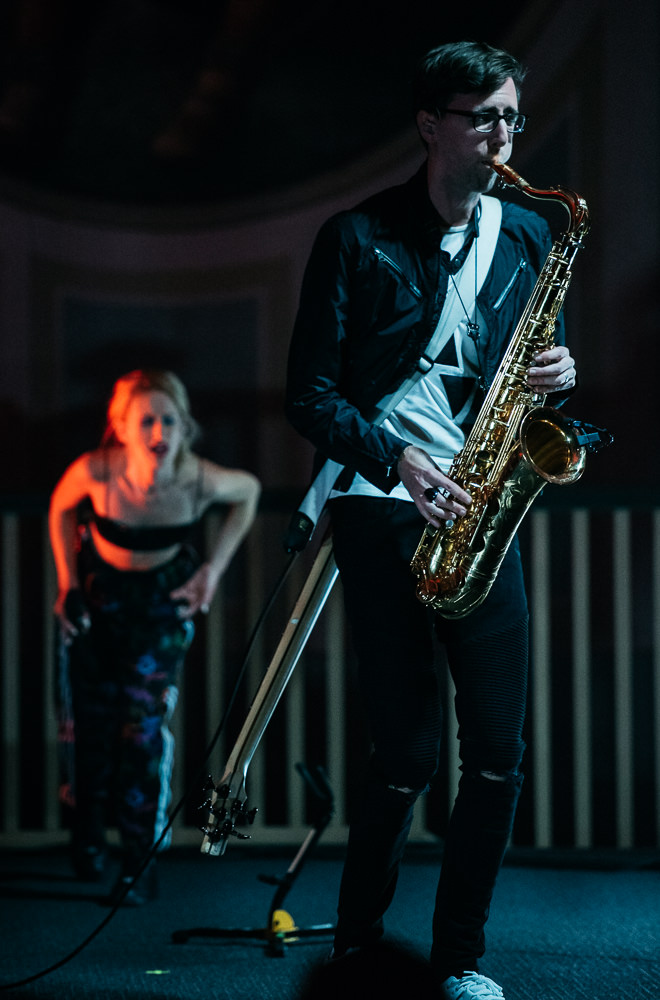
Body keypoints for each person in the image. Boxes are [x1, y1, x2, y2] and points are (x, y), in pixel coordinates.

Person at [285, 41, 579, 1000]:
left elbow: (531, 368)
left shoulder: (531, 237)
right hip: (380, 503)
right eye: (482, 116)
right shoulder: (358, 237)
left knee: (497, 754)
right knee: (406, 754)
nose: (502, 136)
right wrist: (394, 457)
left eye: (511, 118)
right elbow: (309, 395)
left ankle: (459, 959)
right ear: (429, 124)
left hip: (483, 499)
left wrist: (557, 381)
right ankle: (361, 944)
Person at [49, 369, 261, 904]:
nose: (158, 430)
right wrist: (67, 583)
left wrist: (213, 568)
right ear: (121, 428)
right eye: (146, 420)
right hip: (100, 603)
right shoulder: (97, 471)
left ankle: (138, 860)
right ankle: (89, 839)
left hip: (161, 605)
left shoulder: (196, 478)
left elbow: (250, 491)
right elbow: (58, 506)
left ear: (184, 427)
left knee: (141, 732)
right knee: (91, 730)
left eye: (169, 419)